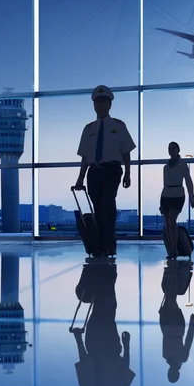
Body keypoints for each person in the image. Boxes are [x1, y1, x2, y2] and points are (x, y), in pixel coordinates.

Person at [71, 257, 135, 386]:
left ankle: (107, 269)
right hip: (95, 342)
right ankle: (104, 269)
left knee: (107, 306)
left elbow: (125, 366)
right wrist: (78, 339)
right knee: (103, 306)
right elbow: (85, 361)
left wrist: (127, 345)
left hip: (110, 344)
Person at [74, 85, 136, 257]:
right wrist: (80, 177)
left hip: (112, 171)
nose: (100, 105)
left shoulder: (119, 126)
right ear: (94, 105)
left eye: (103, 102)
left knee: (108, 204)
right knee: (98, 209)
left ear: (110, 105)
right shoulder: (88, 129)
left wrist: (128, 173)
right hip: (94, 172)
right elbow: (85, 157)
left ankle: (110, 243)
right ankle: (100, 244)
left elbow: (126, 152)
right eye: (97, 102)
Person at [159, 260, 194, 383]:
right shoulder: (170, 357)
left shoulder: (175, 357)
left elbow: (188, 340)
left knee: (171, 297)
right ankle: (174, 270)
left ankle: (175, 270)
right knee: (170, 297)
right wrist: (192, 325)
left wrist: (192, 324)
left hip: (174, 328)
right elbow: (188, 340)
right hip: (170, 327)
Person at [160, 142, 194, 259]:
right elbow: (165, 184)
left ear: (178, 149)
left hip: (178, 195)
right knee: (167, 222)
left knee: (172, 219)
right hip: (166, 195)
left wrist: (192, 196)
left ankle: (174, 249)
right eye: (169, 148)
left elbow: (188, 180)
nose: (171, 150)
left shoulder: (182, 164)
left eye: (173, 148)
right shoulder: (166, 167)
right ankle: (171, 249)